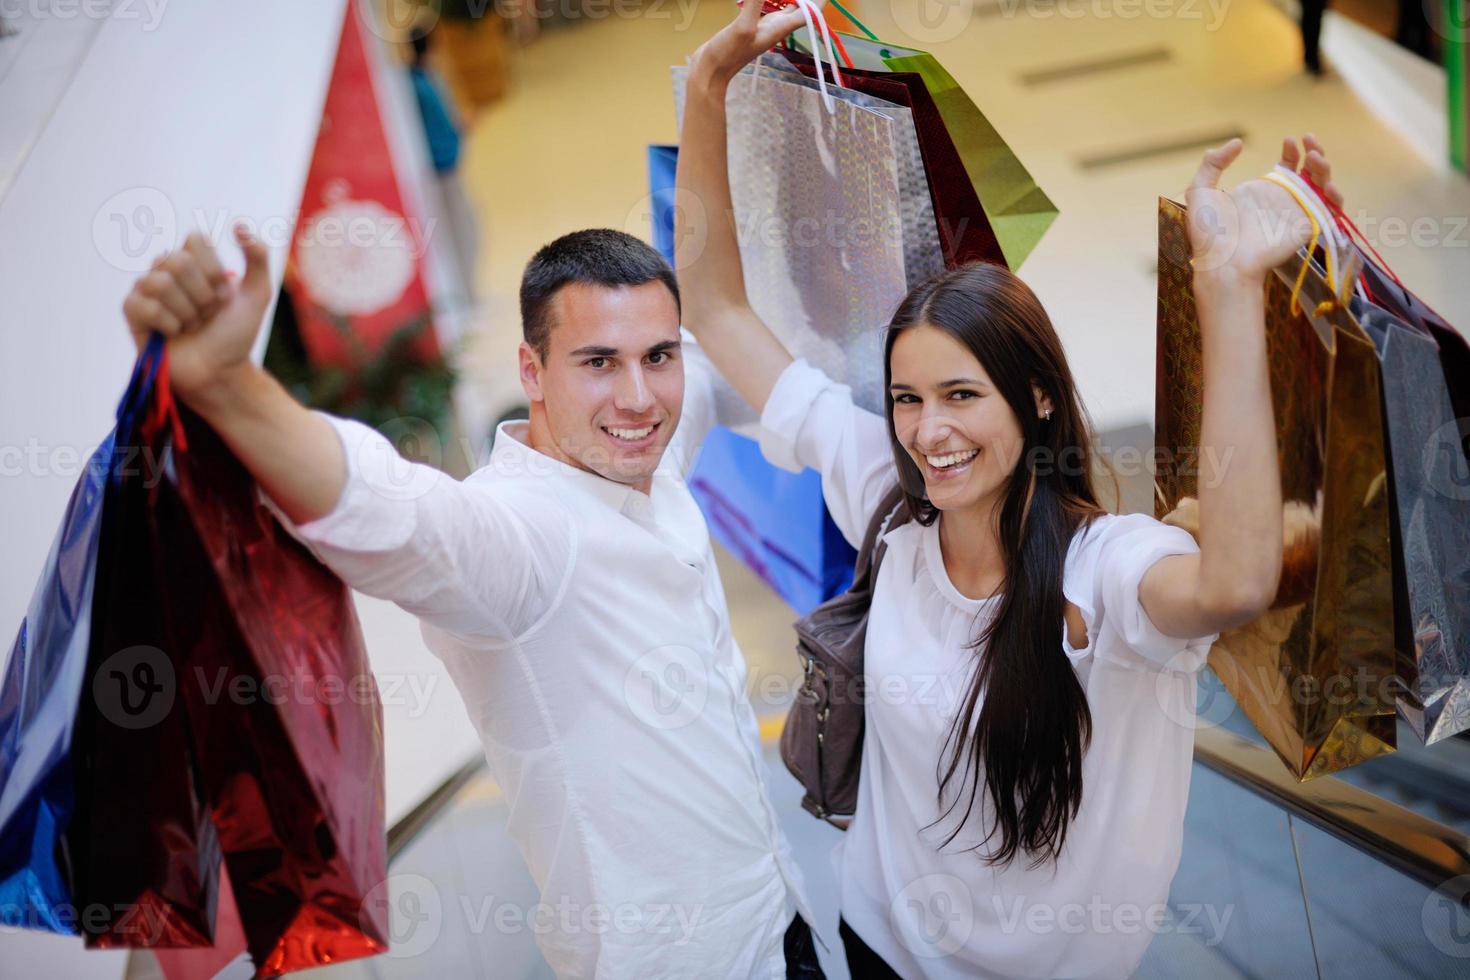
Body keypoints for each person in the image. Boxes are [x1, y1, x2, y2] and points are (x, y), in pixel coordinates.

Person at [677, 4, 1338, 976]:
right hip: (877, 945)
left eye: (960, 395)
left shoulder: (1107, 571)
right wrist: (706, 87)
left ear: (1034, 397)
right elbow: (718, 305)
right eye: (907, 397)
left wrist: (1227, 290)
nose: (928, 431)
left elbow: (1236, 581)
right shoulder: (890, 494)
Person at [120, 226, 824, 978]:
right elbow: (392, 513)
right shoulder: (517, 541)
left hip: (781, 915)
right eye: (597, 363)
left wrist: (713, 104)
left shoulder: (649, 447)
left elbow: (729, 334)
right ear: (533, 369)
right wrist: (228, 385)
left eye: (658, 356)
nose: (639, 396)